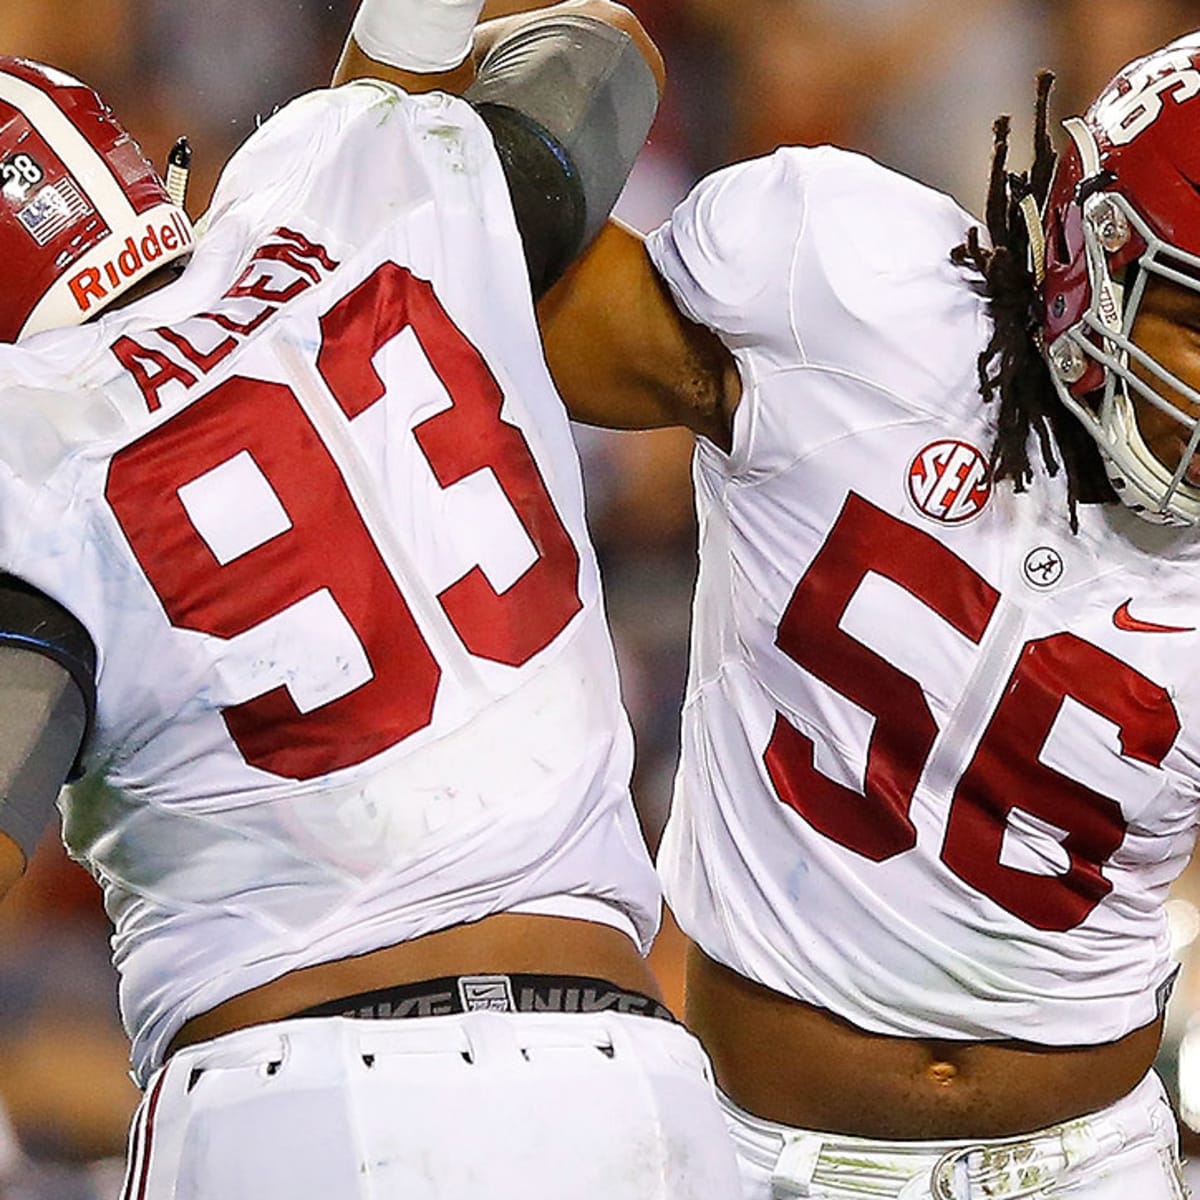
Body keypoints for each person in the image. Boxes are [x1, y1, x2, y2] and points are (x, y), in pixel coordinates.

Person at [0, 0, 745, 1195]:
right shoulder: (355, 203)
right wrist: (369, 127)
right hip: (627, 1087)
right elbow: (604, 52)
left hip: (303, 1103)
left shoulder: (32, 440)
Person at [536, 28, 1200, 1200]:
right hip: (757, 1153)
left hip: (1097, 1159)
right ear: (1091, 263)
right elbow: (509, 307)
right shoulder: (855, 292)